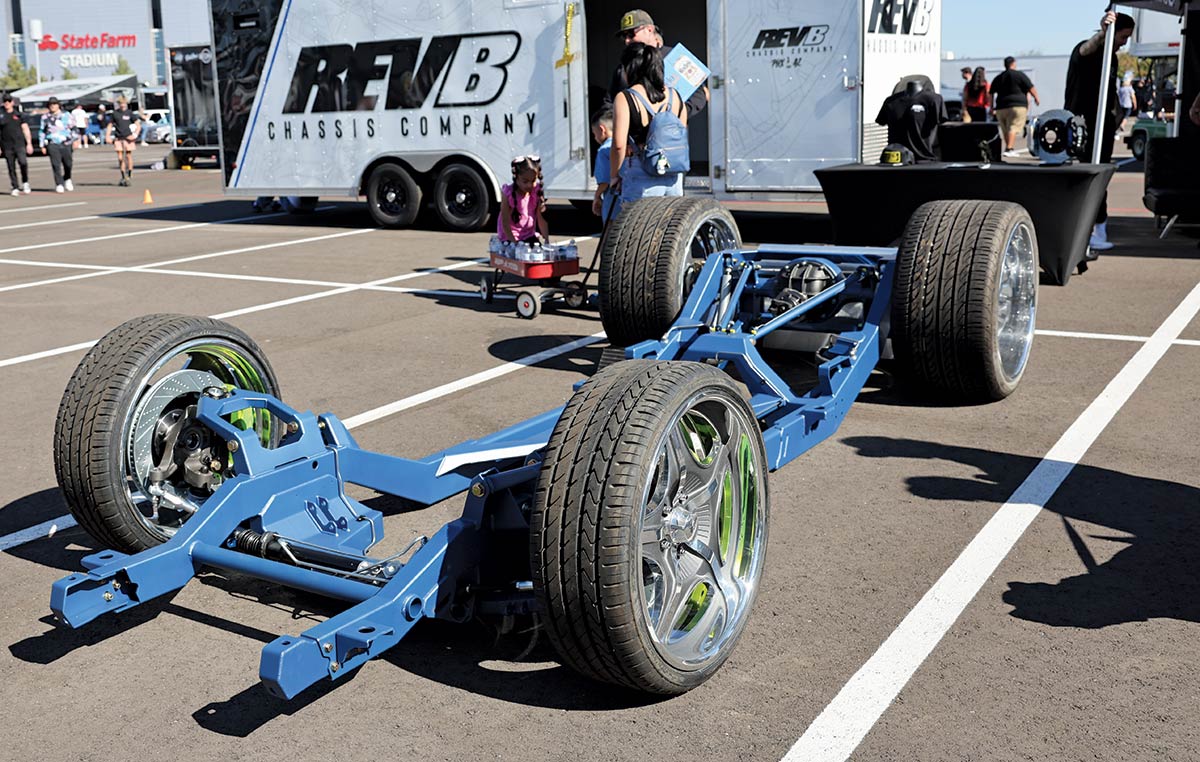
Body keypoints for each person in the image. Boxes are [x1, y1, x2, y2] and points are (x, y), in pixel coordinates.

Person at [1065, 10, 1135, 253]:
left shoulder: (1112, 58)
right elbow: (1087, 48)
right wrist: (1104, 33)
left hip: (1103, 126)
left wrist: (1115, 118)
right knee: (1086, 174)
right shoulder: (1087, 50)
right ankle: (1085, 229)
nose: (1124, 43)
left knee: (1101, 174)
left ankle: (1097, 227)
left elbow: (1109, 91)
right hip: (1082, 125)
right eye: (1123, 37)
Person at [610, 42, 688, 204]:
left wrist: (615, 175)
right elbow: (681, 133)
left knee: (636, 228)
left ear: (630, 68)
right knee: (670, 227)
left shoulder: (625, 98)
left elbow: (618, 144)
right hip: (673, 174)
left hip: (641, 172)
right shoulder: (676, 96)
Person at [607, 9, 707, 118]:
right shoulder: (623, 67)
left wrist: (676, 113)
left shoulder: (678, 57)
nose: (627, 40)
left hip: (669, 130)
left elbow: (699, 96)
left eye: (631, 34)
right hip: (634, 132)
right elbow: (610, 101)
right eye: (624, 36)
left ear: (649, 29)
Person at [874, 77, 946, 163]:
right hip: (896, 159)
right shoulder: (891, 101)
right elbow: (881, 121)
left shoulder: (934, 100)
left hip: (924, 159)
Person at [990, 57, 1040, 157]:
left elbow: (991, 93)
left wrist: (992, 107)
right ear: (1013, 63)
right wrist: (1036, 98)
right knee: (1013, 127)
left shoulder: (999, 77)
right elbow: (1031, 87)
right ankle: (1009, 149)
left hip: (1001, 107)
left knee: (1005, 129)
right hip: (1018, 106)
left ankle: (1008, 147)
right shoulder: (1019, 75)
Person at [498, 155, 548, 244]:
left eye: (533, 181)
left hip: (529, 235)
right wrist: (514, 244)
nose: (529, 185)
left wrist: (546, 239)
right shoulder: (508, 194)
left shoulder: (536, 191)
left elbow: (541, 218)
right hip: (510, 237)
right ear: (516, 177)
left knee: (538, 255)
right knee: (518, 256)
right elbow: (505, 223)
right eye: (525, 181)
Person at [39, 97, 75, 193]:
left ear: (58, 105)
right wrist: (42, 144)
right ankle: (59, 183)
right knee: (56, 164)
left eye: (54, 104)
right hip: (52, 143)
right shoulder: (45, 117)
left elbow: (74, 128)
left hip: (66, 142)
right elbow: (42, 131)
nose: (53, 106)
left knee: (68, 164)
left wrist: (75, 140)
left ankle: (67, 178)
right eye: (51, 104)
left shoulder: (66, 115)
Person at [0, 95, 32, 195]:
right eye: (5, 101)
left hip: (19, 144)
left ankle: (25, 182)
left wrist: (29, 143)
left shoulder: (19, 115)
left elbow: (25, 129)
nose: (7, 103)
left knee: (23, 163)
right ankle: (15, 186)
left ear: (12, 102)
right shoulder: (1, 116)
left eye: (9, 101)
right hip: (7, 145)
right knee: (11, 166)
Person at [105, 95, 140, 186]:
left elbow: (138, 125)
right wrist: (107, 136)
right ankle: (123, 175)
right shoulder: (115, 114)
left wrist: (135, 135)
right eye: (121, 103)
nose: (123, 105)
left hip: (128, 137)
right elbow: (110, 125)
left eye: (124, 103)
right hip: (118, 137)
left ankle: (130, 172)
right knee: (120, 157)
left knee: (128, 156)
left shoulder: (130, 113)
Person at [590, 107, 617, 222]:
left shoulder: (604, 151)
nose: (595, 138)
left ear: (602, 129)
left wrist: (597, 196)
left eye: (594, 134)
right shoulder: (626, 146)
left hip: (613, 203)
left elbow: (605, 181)